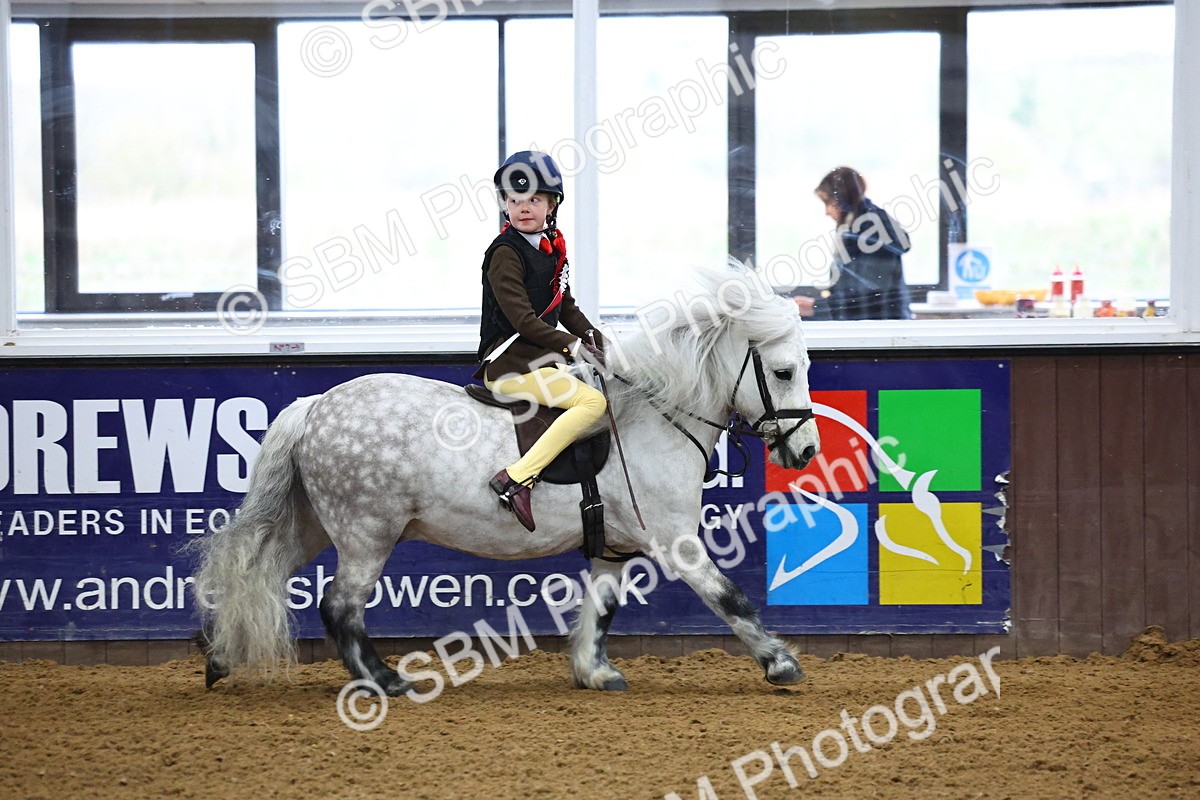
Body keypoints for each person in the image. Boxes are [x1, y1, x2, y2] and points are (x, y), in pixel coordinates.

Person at [475, 151, 607, 533]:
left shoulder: (552, 250)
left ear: (552, 205)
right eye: (514, 201)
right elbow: (523, 321)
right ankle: (517, 478)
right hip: (509, 367)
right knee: (592, 402)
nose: (523, 208)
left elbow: (565, 306)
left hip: (541, 362)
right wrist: (574, 347)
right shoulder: (504, 254)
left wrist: (596, 340)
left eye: (533, 200)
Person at [797, 167, 912, 321]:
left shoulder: (871, 231)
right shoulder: (861, 228)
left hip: (878, 330)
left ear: (842, 200)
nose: (827, 212)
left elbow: (864, 298)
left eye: (828, 202)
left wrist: (815, 307)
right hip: (875, 326)